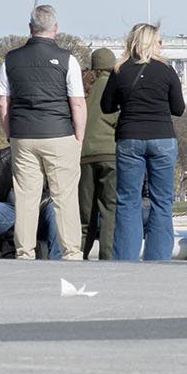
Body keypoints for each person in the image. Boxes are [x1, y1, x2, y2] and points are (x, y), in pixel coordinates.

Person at [0, 5, 86, 262]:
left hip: (23, 133)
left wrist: (10, 134)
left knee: (25, 196)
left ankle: (24, 251)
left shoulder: (10, 60)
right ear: (55, 28)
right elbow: (77, 102)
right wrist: (78, 137)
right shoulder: (68, 59)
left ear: (30, 28)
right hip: (59, 132)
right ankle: (71, 252)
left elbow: (3, 102)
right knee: (64, 197)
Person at [103, 23, 186, 262]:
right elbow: (179, 108)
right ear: (152, 43)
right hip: (161, 137)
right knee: (162, 202)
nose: (162, 45)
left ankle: (126, 258)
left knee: (128, 201)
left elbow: (106, 106)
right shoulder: (167, 71)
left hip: (129, 137)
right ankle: (158, 258)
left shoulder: (120, 70)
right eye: (160, 41)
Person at [79, 46, 120, 261]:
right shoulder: (115, 86)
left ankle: (79, 254)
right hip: (109, 154)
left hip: (84, 156)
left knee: (85, 213)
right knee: (109, 210)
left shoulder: (83, 87)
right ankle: (107, 257)